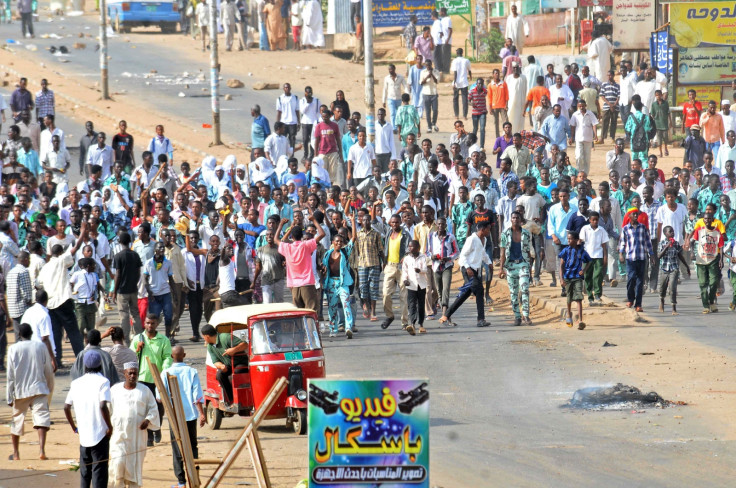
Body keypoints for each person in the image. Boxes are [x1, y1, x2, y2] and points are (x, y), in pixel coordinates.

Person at [64, 350, 113, 488]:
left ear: (84, 365)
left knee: (85, 471)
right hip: (100, 433)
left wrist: (74, 428)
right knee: (99, 470)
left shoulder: (76, 383)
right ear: (100, 365)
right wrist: (109, 426)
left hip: (83, 434)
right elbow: (103, 406)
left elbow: (66, 407)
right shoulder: (103, 381)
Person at [7, 323, 54, 461]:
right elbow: (48, 369)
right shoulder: (40, 346)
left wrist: (9, 396)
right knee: (42, 418)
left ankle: (16, 454)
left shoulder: (13, 349)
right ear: (32, 333)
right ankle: (41, 450)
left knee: (17, 420)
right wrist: (49, 388)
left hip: (20, 390)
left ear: (19, 334)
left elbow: (10, 374)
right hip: (39, 388)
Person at [108, 362, 160, 488]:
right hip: (118, 435)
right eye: (130, 373)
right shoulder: (114, 390)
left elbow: (153, 409)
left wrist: (147, 420)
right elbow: (107, 410)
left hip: (137, 437)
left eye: (135, 373)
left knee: (134, 469)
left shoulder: (145, 391)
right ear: (124, 373)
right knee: (118, 462)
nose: (132, 376)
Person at [160, 345, 206, 488]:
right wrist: (202, 413)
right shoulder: (191, 372)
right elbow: (197, 395)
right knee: (192, 446)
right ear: (184, 355)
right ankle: (194, 478)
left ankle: (181, 482)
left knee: (177, 448)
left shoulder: (165, 373)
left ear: (172, 356)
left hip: (174, 417)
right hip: (190, 415)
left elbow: (160, 397)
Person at [439, 221, 492, 328]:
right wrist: (467, 267)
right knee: (480, 291)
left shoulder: (484, 239)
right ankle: (481, 319)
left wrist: (489, 263)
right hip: (468, 269)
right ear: (483, 229)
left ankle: (446, 315)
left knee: (465, 294)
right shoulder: (472, 239)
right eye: (488, 229)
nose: (489, 232)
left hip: (476, 270)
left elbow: (483, 253)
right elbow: (463, 256)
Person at [130, 314, 172, 446]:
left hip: (158, 378)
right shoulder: (138, 338)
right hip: (142, 378)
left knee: (159, 406)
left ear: (157, 324)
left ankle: (157, 427)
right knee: (144, 408)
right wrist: (137, 349)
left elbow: (167, 357)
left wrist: (163, 371)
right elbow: (131, 358)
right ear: (144, 323)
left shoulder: (163, 340)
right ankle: (148, 437)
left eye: (152, 323)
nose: (150, 326)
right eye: (148, 323)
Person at [276, 213, 327, 311]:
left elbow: (276, 240)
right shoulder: (306, 245)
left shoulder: (287, 247)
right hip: (307, 283)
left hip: (294, 285)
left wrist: (281, 225)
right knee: (311, 311)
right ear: (302, 235)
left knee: (298, 313)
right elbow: (322, 234)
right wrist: (314, 220)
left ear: (292, 236)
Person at [322, 216, 356, 338]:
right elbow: (324, 267)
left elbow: (354, 239)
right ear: (333, 242)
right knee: (332, 308)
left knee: (346, 305)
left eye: (341, 242)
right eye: (336, 241)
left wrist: (352, 221)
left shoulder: (345, 252)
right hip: (331, 283)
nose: (338, 243)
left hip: (342, 283)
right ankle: (333, 329)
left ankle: (348, 328)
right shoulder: (328, 254)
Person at [201, 323, 248, 409]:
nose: (203, 338)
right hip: (228, 365)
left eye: (203, 336)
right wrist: (221, 366)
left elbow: (245, 344)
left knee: (235, 374)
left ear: (207, 336)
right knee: (220, 375)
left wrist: (234, 350)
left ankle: (240, 399)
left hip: (240, 363)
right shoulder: (210, 346)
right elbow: (215, 362)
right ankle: (230, 400)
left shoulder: (225, 337)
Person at [499, 211, 533, 326]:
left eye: (517, 218)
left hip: (523, 264)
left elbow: (528, 252)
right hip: (511, 265)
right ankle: (517, 316)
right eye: (513, 218)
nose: (515, 220)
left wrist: (530, 269)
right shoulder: (505, 234)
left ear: (520, 219)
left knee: (525, 289)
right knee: (513, 292)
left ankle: (526, 315)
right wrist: (501, 268)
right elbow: (502, 252)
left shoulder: (526, 234)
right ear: (511, 219)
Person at [619, 207, 655, 312]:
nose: (635, 216)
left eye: (637, 214)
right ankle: (630, 299)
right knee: (631, 279)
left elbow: (648, 242)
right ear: (629, 216)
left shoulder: (643, 228)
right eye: (633, 214)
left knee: (640, 281)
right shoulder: (625, 229)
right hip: (630, 258)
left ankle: (638, 304)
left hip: (642, 257)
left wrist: (651, 254)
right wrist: (621, 254)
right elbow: (622, 242)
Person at [381, 214, 410, 330]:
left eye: (397, 222)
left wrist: (406, 256)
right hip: (390, 266)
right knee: (386, 293)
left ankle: (405, 322)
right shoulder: (388, 233)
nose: (394, 225)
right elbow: (374, 223)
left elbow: (410, 248)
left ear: (400, 222)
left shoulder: (405, 234)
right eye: (392, 222)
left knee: (404, 296)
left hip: (402, 267)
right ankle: (389, 315)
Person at [559, 231, 591, 330]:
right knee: (569, 298)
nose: (568, 240)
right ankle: (568, 314)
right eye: (568, 239)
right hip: (567, 277)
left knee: (578, 298)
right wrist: (561, 279)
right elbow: (561, 266)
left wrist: (584, 270)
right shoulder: (565, 251)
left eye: (570, 239)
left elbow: (589, 261)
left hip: (577, 277)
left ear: (576, 240)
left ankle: (580, 320)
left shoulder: (581, 251)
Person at [355, 212, 384, 320]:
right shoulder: (358, 234)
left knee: (373, 288)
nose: (366, 222)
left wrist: (384, 262)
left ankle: (373, 311)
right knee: (363, 288)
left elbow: (380, 249)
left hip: (374, 263)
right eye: (364, 220)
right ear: (361, 222)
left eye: (368, 220)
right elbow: (356, 250)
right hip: (362, 264)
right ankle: (365, 305)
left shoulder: (376, 234)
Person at [692, 213, 724, 313]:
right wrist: (692, 252)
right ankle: (706, 306)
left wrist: (721, 260)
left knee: (713, 282)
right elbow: (693, 241)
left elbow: (721, 246)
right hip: (701, 260)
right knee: (703, 284)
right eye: (705, 219)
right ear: (703, 220)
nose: (707, 220)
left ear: (712, 220)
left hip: (713, 260)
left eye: (709, 219)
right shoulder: (699, 230)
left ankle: (711, 301)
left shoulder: (717, 231)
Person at [657, 225, 690, 315]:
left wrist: (687, 266)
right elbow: (659, 256)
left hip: (674, 268)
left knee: (672, 288)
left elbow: (680, 255)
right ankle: (662, 302)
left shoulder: (675, 244)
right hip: (664, 268)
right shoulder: (662, 243)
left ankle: (673, 308)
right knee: (662, 288)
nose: (672, 233)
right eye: (670, 232)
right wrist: (667, 246)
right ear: (665, 233)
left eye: (673, 231)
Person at [579, 211, 608, 304]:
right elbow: (581, 241)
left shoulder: (601, 230)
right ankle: (589, 296)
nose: (595, 222)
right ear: (590, 220)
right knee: (587, 276)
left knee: (597, 275)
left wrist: (605, 257)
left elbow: (604, 245)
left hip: (598, 256)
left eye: (596, 220)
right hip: (587, 256)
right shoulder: (585, 229)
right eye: (593, 220)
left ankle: (597, 294)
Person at [402, 239, 429, 335]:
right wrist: (405, 280)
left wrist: (420, 270)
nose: (410, 248)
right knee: (412, 304)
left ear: (418, 248)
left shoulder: (423, 257)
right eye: (409, 246)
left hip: (421, 285)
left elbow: (425, 269)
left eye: (412, 246)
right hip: (411, 285)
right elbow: (404, 271)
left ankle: (421, 324)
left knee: (421, 305)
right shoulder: (407, 259)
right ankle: (412, 324)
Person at [568, 99, 599, 174]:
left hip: (588, 139)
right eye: (580, 106)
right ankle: (579, 172)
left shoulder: (590, 113)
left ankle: (586, 174)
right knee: (578, 156)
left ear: (585, 106)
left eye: (582, 106)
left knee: (587, 158)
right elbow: (572, 126)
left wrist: (595, 135)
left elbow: (594, 124)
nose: (581, 107)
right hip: (578, 138)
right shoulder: (575, 114)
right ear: (578, 106)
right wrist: (571, 137)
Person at [505, 62, 528, 132]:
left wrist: (525, 106)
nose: (515, 69)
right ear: (512, 69)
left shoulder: (523, 78)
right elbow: (506, 92)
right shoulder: (508, 78)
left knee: (519, 120)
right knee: (510, 118)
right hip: (510, 104)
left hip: (520, 104)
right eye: (514, 67)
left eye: (516, 67)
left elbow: (525, 91)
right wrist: (506, 104)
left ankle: (518, 135)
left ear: (519, 68)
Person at [451, 48, 472, 120]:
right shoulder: (466, 60)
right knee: (464, 99)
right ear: (462, 52)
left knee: (455, 99)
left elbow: (455, 72)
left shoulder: (454, 61)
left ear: (457, 53)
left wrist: (454, 82)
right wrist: (470, 76)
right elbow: (469, 70)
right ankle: (464, 115)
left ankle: (456, 115)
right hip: (464, 82)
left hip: (457, 82)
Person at [420, 59, 440, 133]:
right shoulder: (423, 72)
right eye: (426, 65)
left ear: (431, 64)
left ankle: (433, 123)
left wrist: (432, 74)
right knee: (428, 112)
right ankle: (429, 127)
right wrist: (427, 76)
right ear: (425, 65)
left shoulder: (436, 71)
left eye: (429, 65)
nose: (428, 66)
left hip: (434, 93)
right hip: (426, 93)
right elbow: (421, 83)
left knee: (435, 110)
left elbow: (437, 81)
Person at [468, 77, 487, 148]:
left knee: (482, 129)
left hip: (482, 112)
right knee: (475, 128)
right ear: (476, 84)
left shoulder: (484, 91)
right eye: (479, 83)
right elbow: (468, 101)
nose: (480, 85)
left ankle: (482, 146)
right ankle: (473, 144)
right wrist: (471, 104)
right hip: (475, 113)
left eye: (481, 83)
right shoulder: (472, 91)